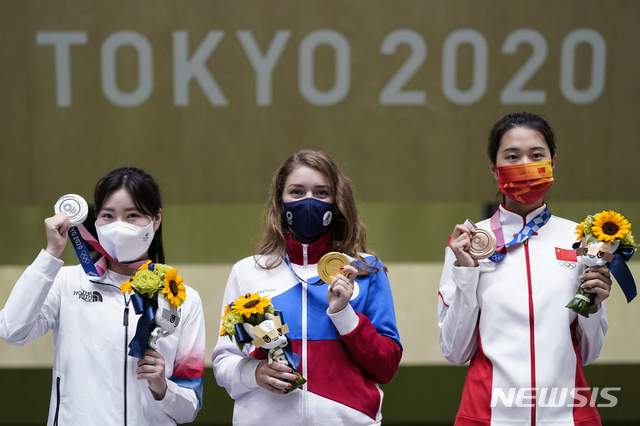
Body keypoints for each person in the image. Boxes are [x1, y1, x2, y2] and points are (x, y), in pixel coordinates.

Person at [438, 112, 611, 425]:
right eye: (512, 156)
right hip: (488, 415)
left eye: (536, 155)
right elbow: (455, 352)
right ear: (495, 168)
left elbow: (589, 353)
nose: (525, 165)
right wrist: (466, 274)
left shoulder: (582, 241)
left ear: (552, 162)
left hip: (568, 415)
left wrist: (595, 307)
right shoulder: (468, 243)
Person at [0, 167, 205, 425]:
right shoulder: (66, 282)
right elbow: (12, 330)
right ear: (95, 220)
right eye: (108, 215)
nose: (119, 227)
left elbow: (189, 409)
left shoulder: (184, 300)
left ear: (156, 219)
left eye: (132, 215)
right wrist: (51, 254)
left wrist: (163, 388)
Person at [212, 149, 402, 425]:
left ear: (337, 202)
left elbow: (385, 367)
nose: (309, 202)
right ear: (281, 201)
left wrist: (344, 314)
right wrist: (253, 373)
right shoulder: (247, 271)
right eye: (297, 192)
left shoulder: (364, 270)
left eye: (321, 193)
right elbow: (224, 361)